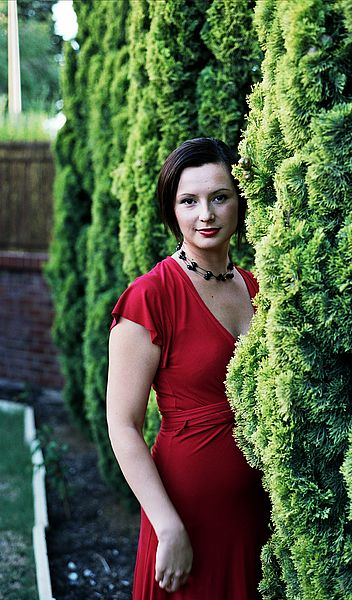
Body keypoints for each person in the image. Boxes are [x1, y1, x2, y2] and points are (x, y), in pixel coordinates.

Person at [106, 137, 270, 599]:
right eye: (189, 201)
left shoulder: (258, 287)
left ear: (238, 200)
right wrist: (168, 525)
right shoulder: (150, 297)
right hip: (186, 516)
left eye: (219, 196)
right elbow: (122, 424)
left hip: (258, 512)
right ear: (172, 210)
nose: (207, 214)